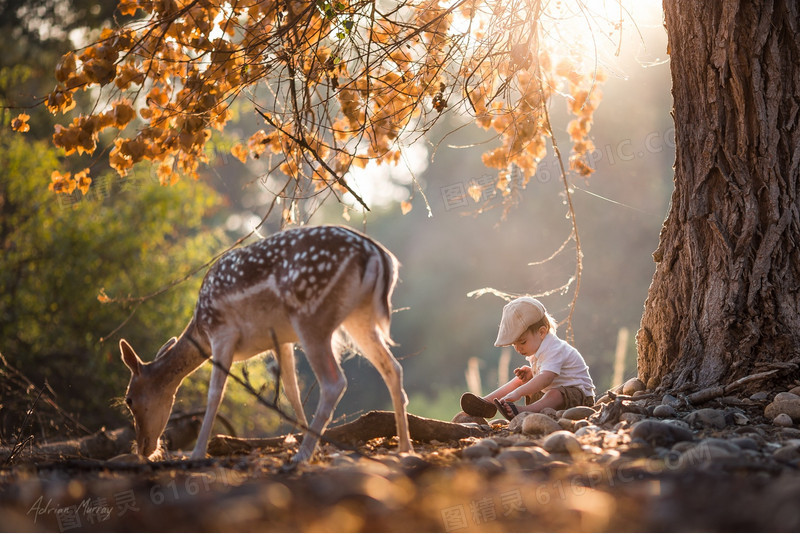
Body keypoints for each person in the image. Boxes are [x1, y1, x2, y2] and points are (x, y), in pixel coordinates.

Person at [460, 297, 595, 420]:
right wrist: (532, 373)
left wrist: (518, 393)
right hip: (554, 396)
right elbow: (545, 376)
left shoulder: (554, 348)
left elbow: (546, 378)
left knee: (555, 393)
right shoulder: (539, 349)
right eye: (514, 344)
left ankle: (524, 411)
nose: (518, 349)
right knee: (520, 380)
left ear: (542, 332)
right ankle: (487, 403)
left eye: (522, 342)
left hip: (579, 397)